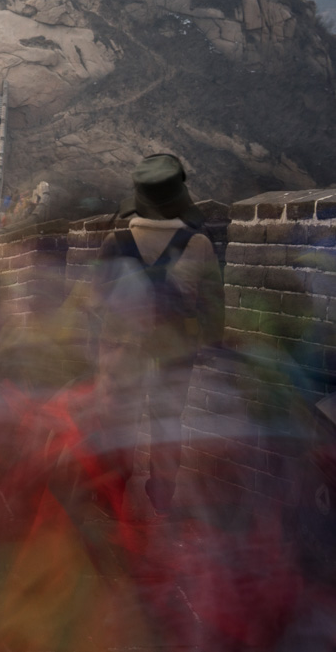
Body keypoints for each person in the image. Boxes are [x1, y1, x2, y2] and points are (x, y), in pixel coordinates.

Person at [97, 153, 224, 515]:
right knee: (167, 420)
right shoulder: (198, 245)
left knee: (121, 419)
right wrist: (206, 342)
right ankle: (162, 493)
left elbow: (98, 299)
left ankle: (116, 491)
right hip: (174, 350)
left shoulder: (115, 240)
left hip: (122, 349)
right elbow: (214, 311)